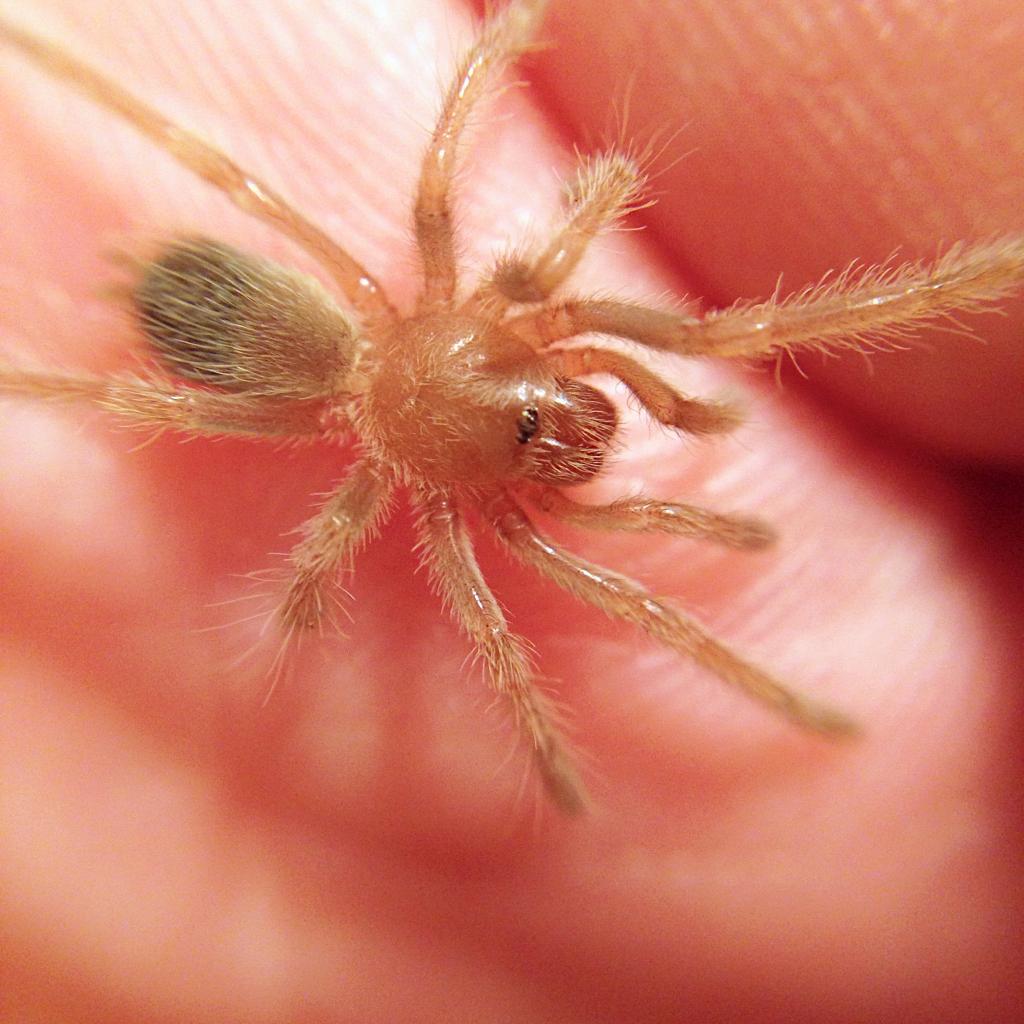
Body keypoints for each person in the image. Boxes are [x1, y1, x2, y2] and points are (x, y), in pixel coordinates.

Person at [1, 1, 1021, 1020]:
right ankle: (37, 49)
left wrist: (511, 57)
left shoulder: (513, 345)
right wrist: (538, 725)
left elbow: (460, 194)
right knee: (169, 323)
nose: (575, 420)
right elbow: (507, 608)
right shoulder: (498, 405)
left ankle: (969, 283)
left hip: (316, 346)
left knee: (696, 351)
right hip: (248, 336)